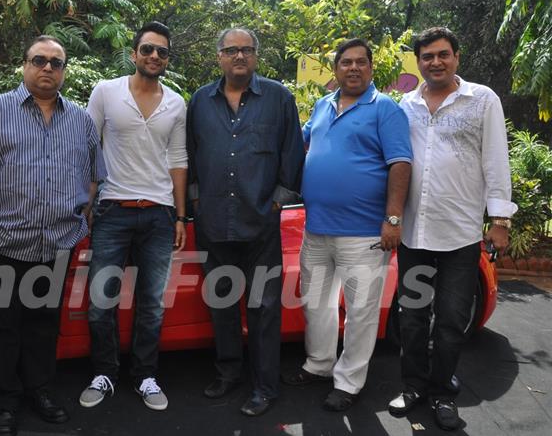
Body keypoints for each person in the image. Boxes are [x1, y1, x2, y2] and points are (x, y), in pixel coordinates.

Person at [0, 35, 105, 436]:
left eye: (56, 63)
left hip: (56, 243)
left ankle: (40, 391)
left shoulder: (80, 120)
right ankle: (2, 403)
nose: (47, 68)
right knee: (1, 325)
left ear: (64, 70)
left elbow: (95, 176)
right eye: (39, 60)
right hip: (1, 241)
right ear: (24, 65)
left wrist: (80, 216)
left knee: (44, 324)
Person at [388, 27, 517, 431]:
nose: (435, 62)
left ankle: (442, 392)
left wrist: (499, 220)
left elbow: (496, 160)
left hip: (460, 235)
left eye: (443, 54)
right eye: (427, 56)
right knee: (410, 318)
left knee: (449, 320)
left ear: (457, 57)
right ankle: (412, 386)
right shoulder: (404, 105)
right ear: (419, 61)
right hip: (414, 234)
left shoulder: (481, 100)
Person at [284, 38, 412, 412]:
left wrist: (393, 219)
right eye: (346, 63)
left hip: (366, 233)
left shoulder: (385, 108)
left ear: (371, 68)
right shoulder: (323, 106)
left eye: (361, 62)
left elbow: (400, 163)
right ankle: (319, 364)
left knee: (360, 312)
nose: (353, 68)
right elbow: (301, 144)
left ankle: (350, 382)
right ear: (336, 69)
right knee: (317, 304)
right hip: (317, 229)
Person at [186, 27, 305, 416]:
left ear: (256, 56)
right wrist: (197, 201)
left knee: (264, 307)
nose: (240, 56)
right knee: (221, 304)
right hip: (214, 223)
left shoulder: (279, 98)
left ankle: (265, 386)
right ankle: (228, 373)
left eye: (247, 50)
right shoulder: (200, 101)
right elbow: (189, 156)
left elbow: (291, 157)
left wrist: (276, 204)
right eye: (232, 50)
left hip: (261, 225)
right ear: (219, 56)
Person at [78, 22, 187, 411]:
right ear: (134, 53)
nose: (154, 56)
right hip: (112, 210)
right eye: (147, 49)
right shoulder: (106, 92)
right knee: (100, 300)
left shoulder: (176, 103)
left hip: (158, 215)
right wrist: (88, 205)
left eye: (161, 51)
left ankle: (145, 376)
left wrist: (179, 216)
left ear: (167, 59)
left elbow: (178, 160)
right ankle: (104, 373)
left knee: (152, 303)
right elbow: (90, 149)